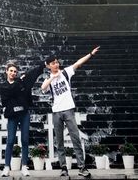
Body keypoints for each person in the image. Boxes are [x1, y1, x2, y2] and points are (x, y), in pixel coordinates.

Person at [41, 47, 100, 179]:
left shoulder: (66, 72)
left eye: (57, 62)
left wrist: (90, 54)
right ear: (49, 66)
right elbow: (43, 88)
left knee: (75, 138)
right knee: (60, 141)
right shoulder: (48, 78)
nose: (56, 64)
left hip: (68, 110)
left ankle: (82, 167)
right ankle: (63, 168)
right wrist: (53, 77)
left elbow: (78, 63)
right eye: (53, 63)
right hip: (56, 112)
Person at [0, 60, 45, 177]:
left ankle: (24, 166)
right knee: (10, 141)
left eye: (15, 71)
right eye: (11, 71)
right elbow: (8, 95)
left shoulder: (22, 82)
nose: (13, 73)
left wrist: (43, 65)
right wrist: (20, 82)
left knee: (25, 140)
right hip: (12, 116)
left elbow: (33, 74)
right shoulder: (4, 86)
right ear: (6, 71)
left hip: (24, 114)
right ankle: (6, 167)